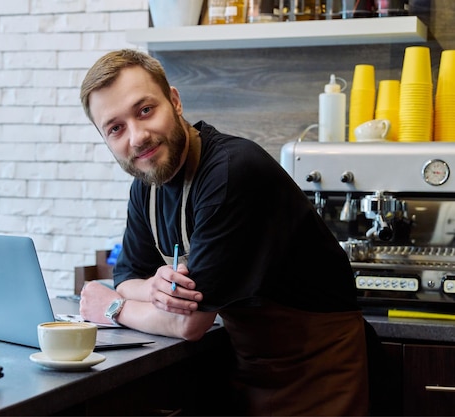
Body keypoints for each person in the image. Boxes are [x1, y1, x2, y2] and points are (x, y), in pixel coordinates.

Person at [78, 48, 373, 416]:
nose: (137, 137)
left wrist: (113, 306)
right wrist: (152, 285)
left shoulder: (231, 172)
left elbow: (188, 324)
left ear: (175, 101)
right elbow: (126, 273)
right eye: (116, 128)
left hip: (321, 368)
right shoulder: (146, 186)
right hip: (249, 364)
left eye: (145, 110)